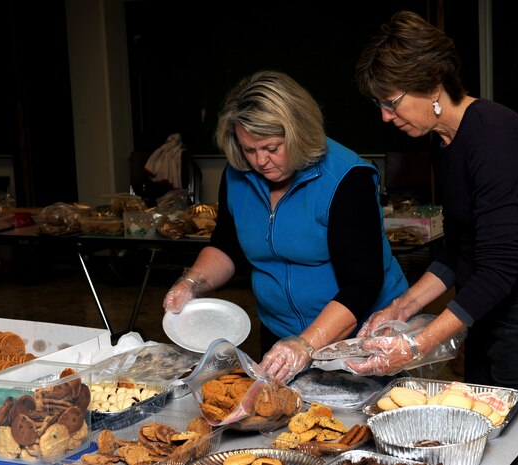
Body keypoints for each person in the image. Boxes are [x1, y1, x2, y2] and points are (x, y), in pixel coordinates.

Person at [347, 10, 518, 465]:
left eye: (392, 102)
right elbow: (461, 249)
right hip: (490, 319)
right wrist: (401, 309)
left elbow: (500, 268)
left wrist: (414, 346)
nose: (386, 117)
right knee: (485, 451)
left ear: (431, 85)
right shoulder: (444, 142)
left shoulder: (494, 137)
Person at [163, 70, 408, 384]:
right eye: (249, 150)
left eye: (272, 148)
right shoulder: (238, 173)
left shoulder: (348, 179)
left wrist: (306, 344)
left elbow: (362, 284)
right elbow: (227, 245)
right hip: (281, 336)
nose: (260, 161)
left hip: (360, 336)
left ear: (299, 134)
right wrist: (191, 282)